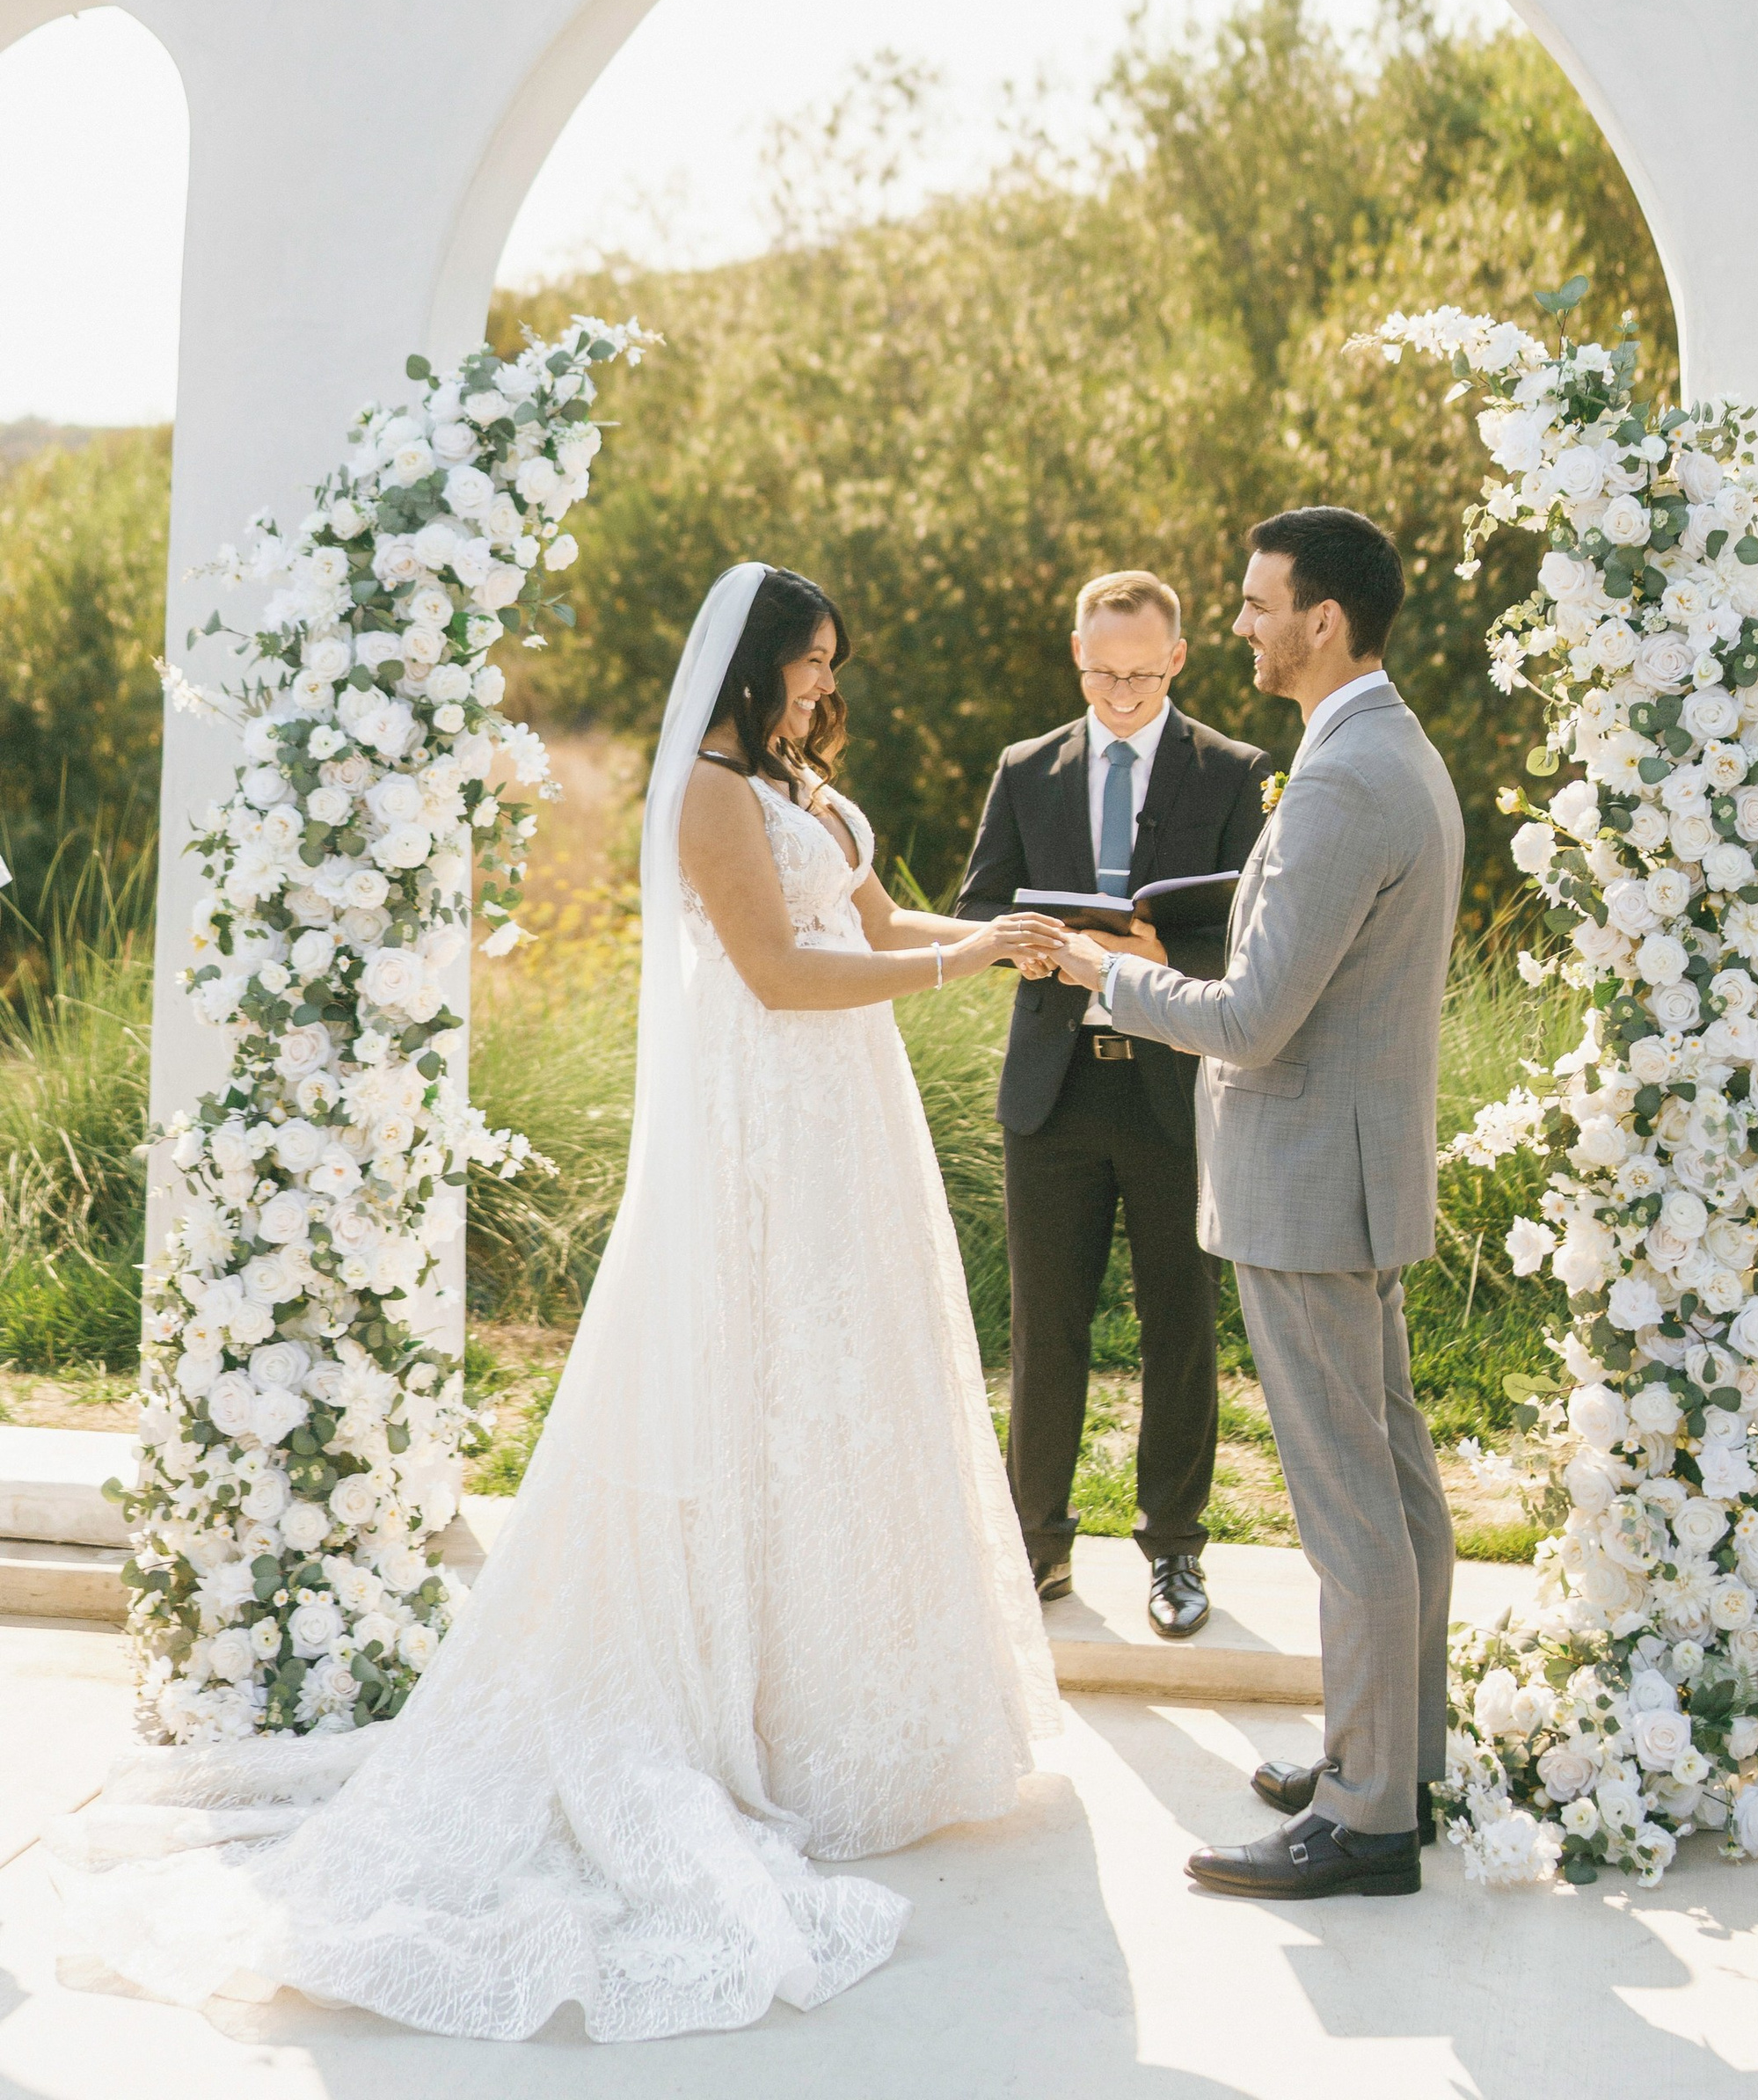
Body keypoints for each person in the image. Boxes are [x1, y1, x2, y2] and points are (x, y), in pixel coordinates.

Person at [51, 564, 1067, 2040]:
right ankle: (739, 1717)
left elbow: (880, 918)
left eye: (830, 666)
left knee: (854, 1390)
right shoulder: (712, 795)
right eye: (808, 664)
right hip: (768, 1125)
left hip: (856, 1123)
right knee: (759, 1389)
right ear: (749, 665)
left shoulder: (801, 781)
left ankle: (860, 1719)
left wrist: (992, 940)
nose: (820, 687)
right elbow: (783, 974)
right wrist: (961, 958)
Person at [1052, 507, 1463, 1904]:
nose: (1238, 624)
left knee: (1353, 1512)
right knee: (1397, 1489)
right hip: (1349, 1171)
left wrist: (1095, 971)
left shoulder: (1346, 779)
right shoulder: (1377, 748)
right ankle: (1399, 1760)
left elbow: (1254, 1019)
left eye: (1254, 603)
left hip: (1306, 1183)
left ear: (1323, 620)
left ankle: (1367, 1820)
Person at [959, 571, 1271, 1638]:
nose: (1121, 690)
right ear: (1076, 656)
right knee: (1044, 1329)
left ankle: (1174, 1553)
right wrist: (1033, 946)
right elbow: (977, 902)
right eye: (1101, 671)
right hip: (1053, 1089)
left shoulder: (1235, 771)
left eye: (1140, 672)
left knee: (1180, 1325)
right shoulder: (1025, 767)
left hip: (1177, 1087)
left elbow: (1252, 930)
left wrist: (1149, 952)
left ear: (1178, 658)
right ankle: (1035, 1548)